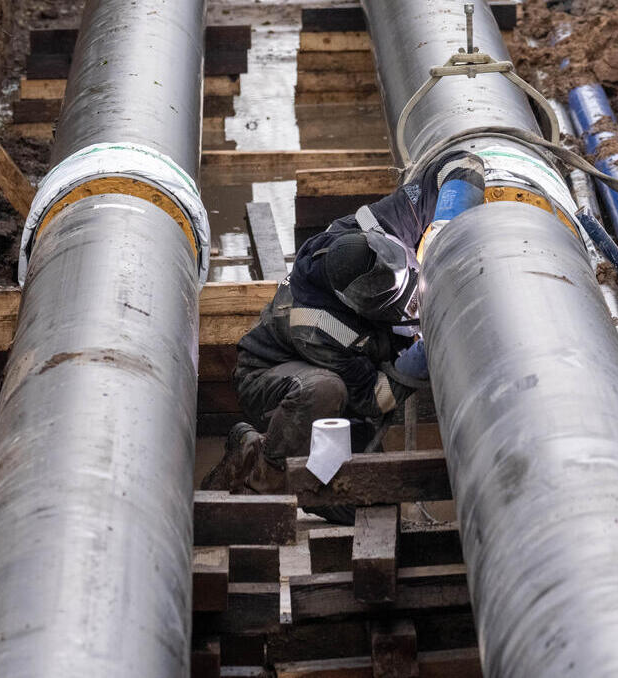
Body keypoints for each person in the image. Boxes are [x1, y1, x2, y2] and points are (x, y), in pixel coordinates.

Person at [201, 151, 486, 506]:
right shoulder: (321, 326)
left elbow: (460, 163)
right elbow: (371, 398)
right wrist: (419, 357)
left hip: (343, 365)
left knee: (364, 502)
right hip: (268, 379)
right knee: (325, 390)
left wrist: (446, 226)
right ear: (360, 307)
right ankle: (261, 477)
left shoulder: (384, 224)